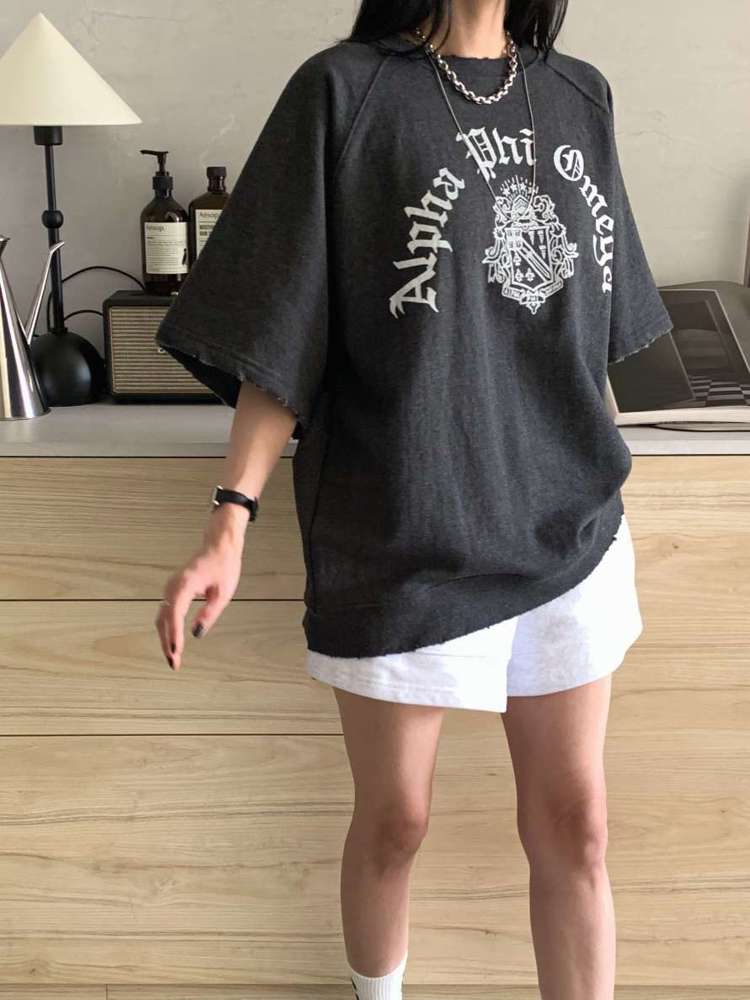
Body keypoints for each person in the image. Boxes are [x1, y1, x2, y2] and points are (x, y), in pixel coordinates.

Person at [154, 1, 673, 997]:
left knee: (578, 823)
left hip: (569, 522)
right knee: (397, 820)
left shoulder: (579, 95)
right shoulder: (345, 93)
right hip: (405, 520)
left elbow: (595, 326)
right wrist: (230, 517)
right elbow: (283, 325)